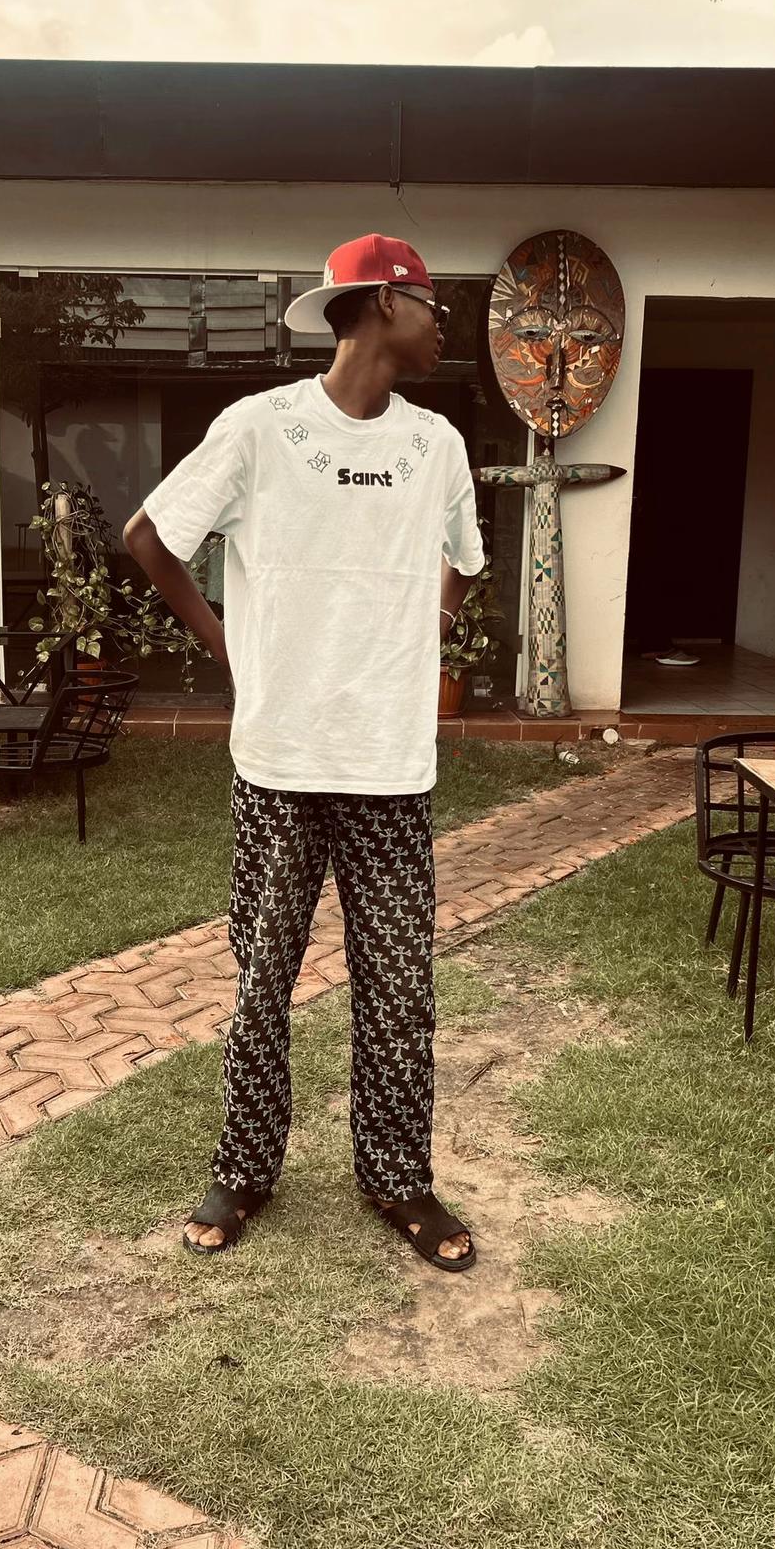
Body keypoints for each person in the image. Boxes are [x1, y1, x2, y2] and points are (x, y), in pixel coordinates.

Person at [124, 233, 484, 1272]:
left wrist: (428, 631)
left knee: (399, 992)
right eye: (432, 304)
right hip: (279, 764)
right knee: (262, 984)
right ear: (381, 305)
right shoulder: (260, 428)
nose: (444, 324)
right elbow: (151, 536)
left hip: (391, 769)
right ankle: (244, 1171)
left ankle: (398, 1180)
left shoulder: (438, 445)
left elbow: (464, 560)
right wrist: (231, 648)